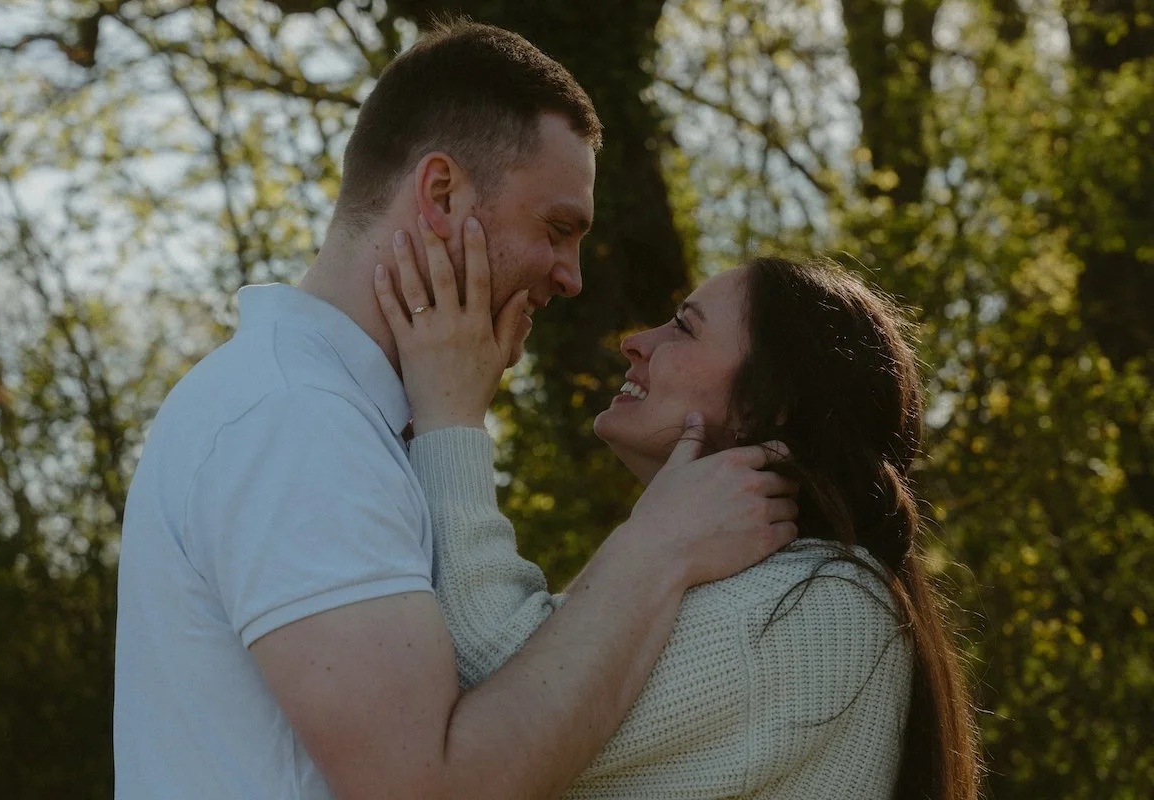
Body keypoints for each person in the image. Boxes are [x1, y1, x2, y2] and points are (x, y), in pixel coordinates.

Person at [113, 19, 801, 800]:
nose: (570, 276)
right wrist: (657, 551)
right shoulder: (295, 421)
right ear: (441, 193)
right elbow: (431, 787)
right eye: (558, 228)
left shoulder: (337, 415)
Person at [377, 226, 982, 798]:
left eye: (684, 329)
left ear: (768, 405)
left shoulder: (825, 603)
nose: (636, 341)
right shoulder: (741, 583)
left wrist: (450, 417)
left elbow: (499, 694)